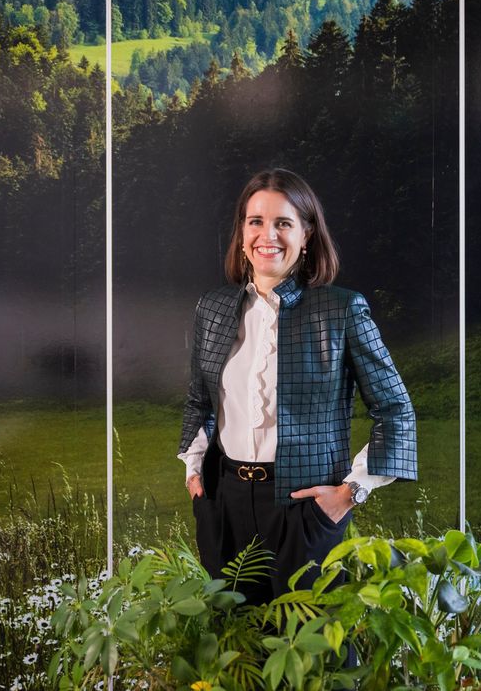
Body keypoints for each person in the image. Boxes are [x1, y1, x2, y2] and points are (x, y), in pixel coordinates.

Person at [177, 168, 417, 605]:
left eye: (283, 223)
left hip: (304, 507)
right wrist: (195, 469)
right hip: (223, 501)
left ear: (306, 234)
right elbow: (200, 400)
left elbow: (396, 410)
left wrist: (350, 494)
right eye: (255, 221)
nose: (267, 235)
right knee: (235, 653)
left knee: (311, 655)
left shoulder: (341, 309)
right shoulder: (211, 309)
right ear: (241, 232)